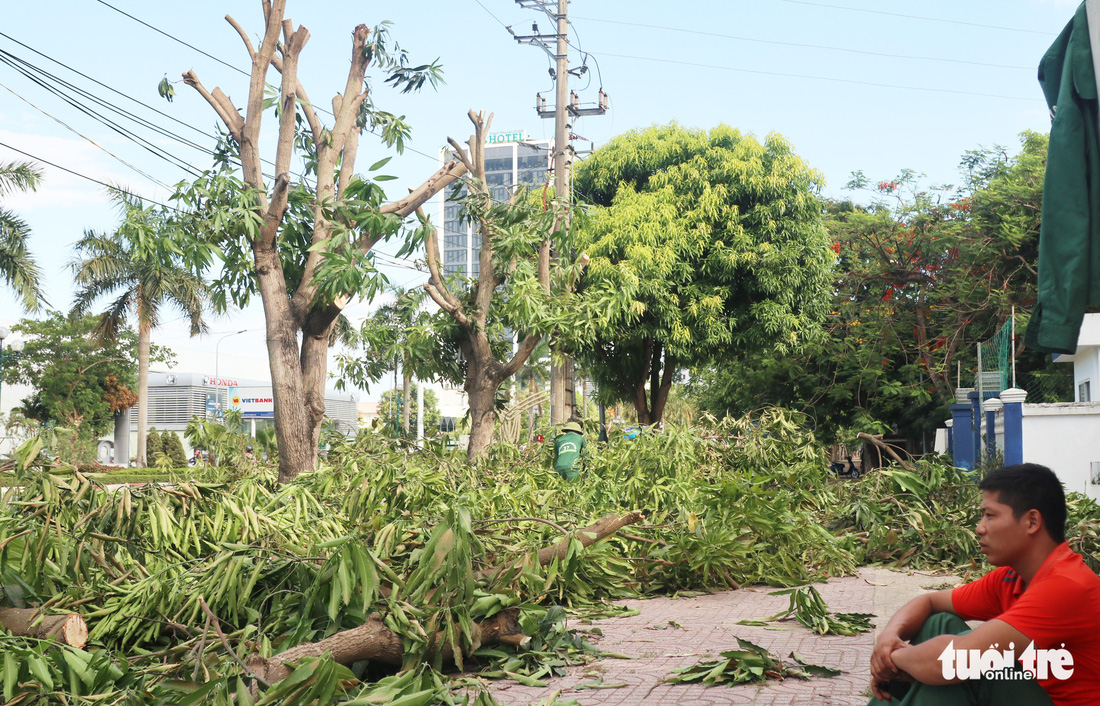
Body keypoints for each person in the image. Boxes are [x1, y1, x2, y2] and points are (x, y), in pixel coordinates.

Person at [868, 463, 1100, 705]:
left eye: (990, 516)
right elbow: (929, 601)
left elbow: (951, 662)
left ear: (1032, 522)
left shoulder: (1066, 586)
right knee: (939, 624)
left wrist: (892, 657)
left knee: (972, 669)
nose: (979, 528)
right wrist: (888, 636)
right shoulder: (1011, 578)